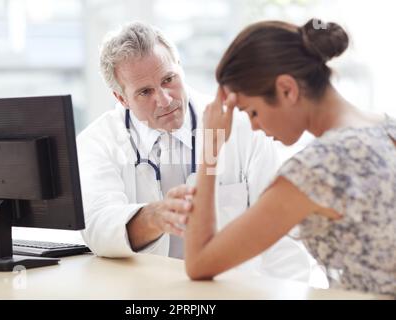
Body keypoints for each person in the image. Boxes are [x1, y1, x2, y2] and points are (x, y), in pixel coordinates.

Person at [77, 21, 314, 281]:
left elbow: (282, 235)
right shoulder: (97, 142)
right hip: (144, 293)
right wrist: (154, 218)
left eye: (169, 79)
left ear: (180, 67)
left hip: (231, 291)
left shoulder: (243, 126)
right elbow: (97, 227)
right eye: (145, 92)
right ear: (121, 98)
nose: (165, 100)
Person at [185, 18, 396, 297]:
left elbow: (200, 262)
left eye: (252, 112)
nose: (254, 126)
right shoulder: (387, 128)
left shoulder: (320, 168)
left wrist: (211, 147)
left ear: (287, 89)